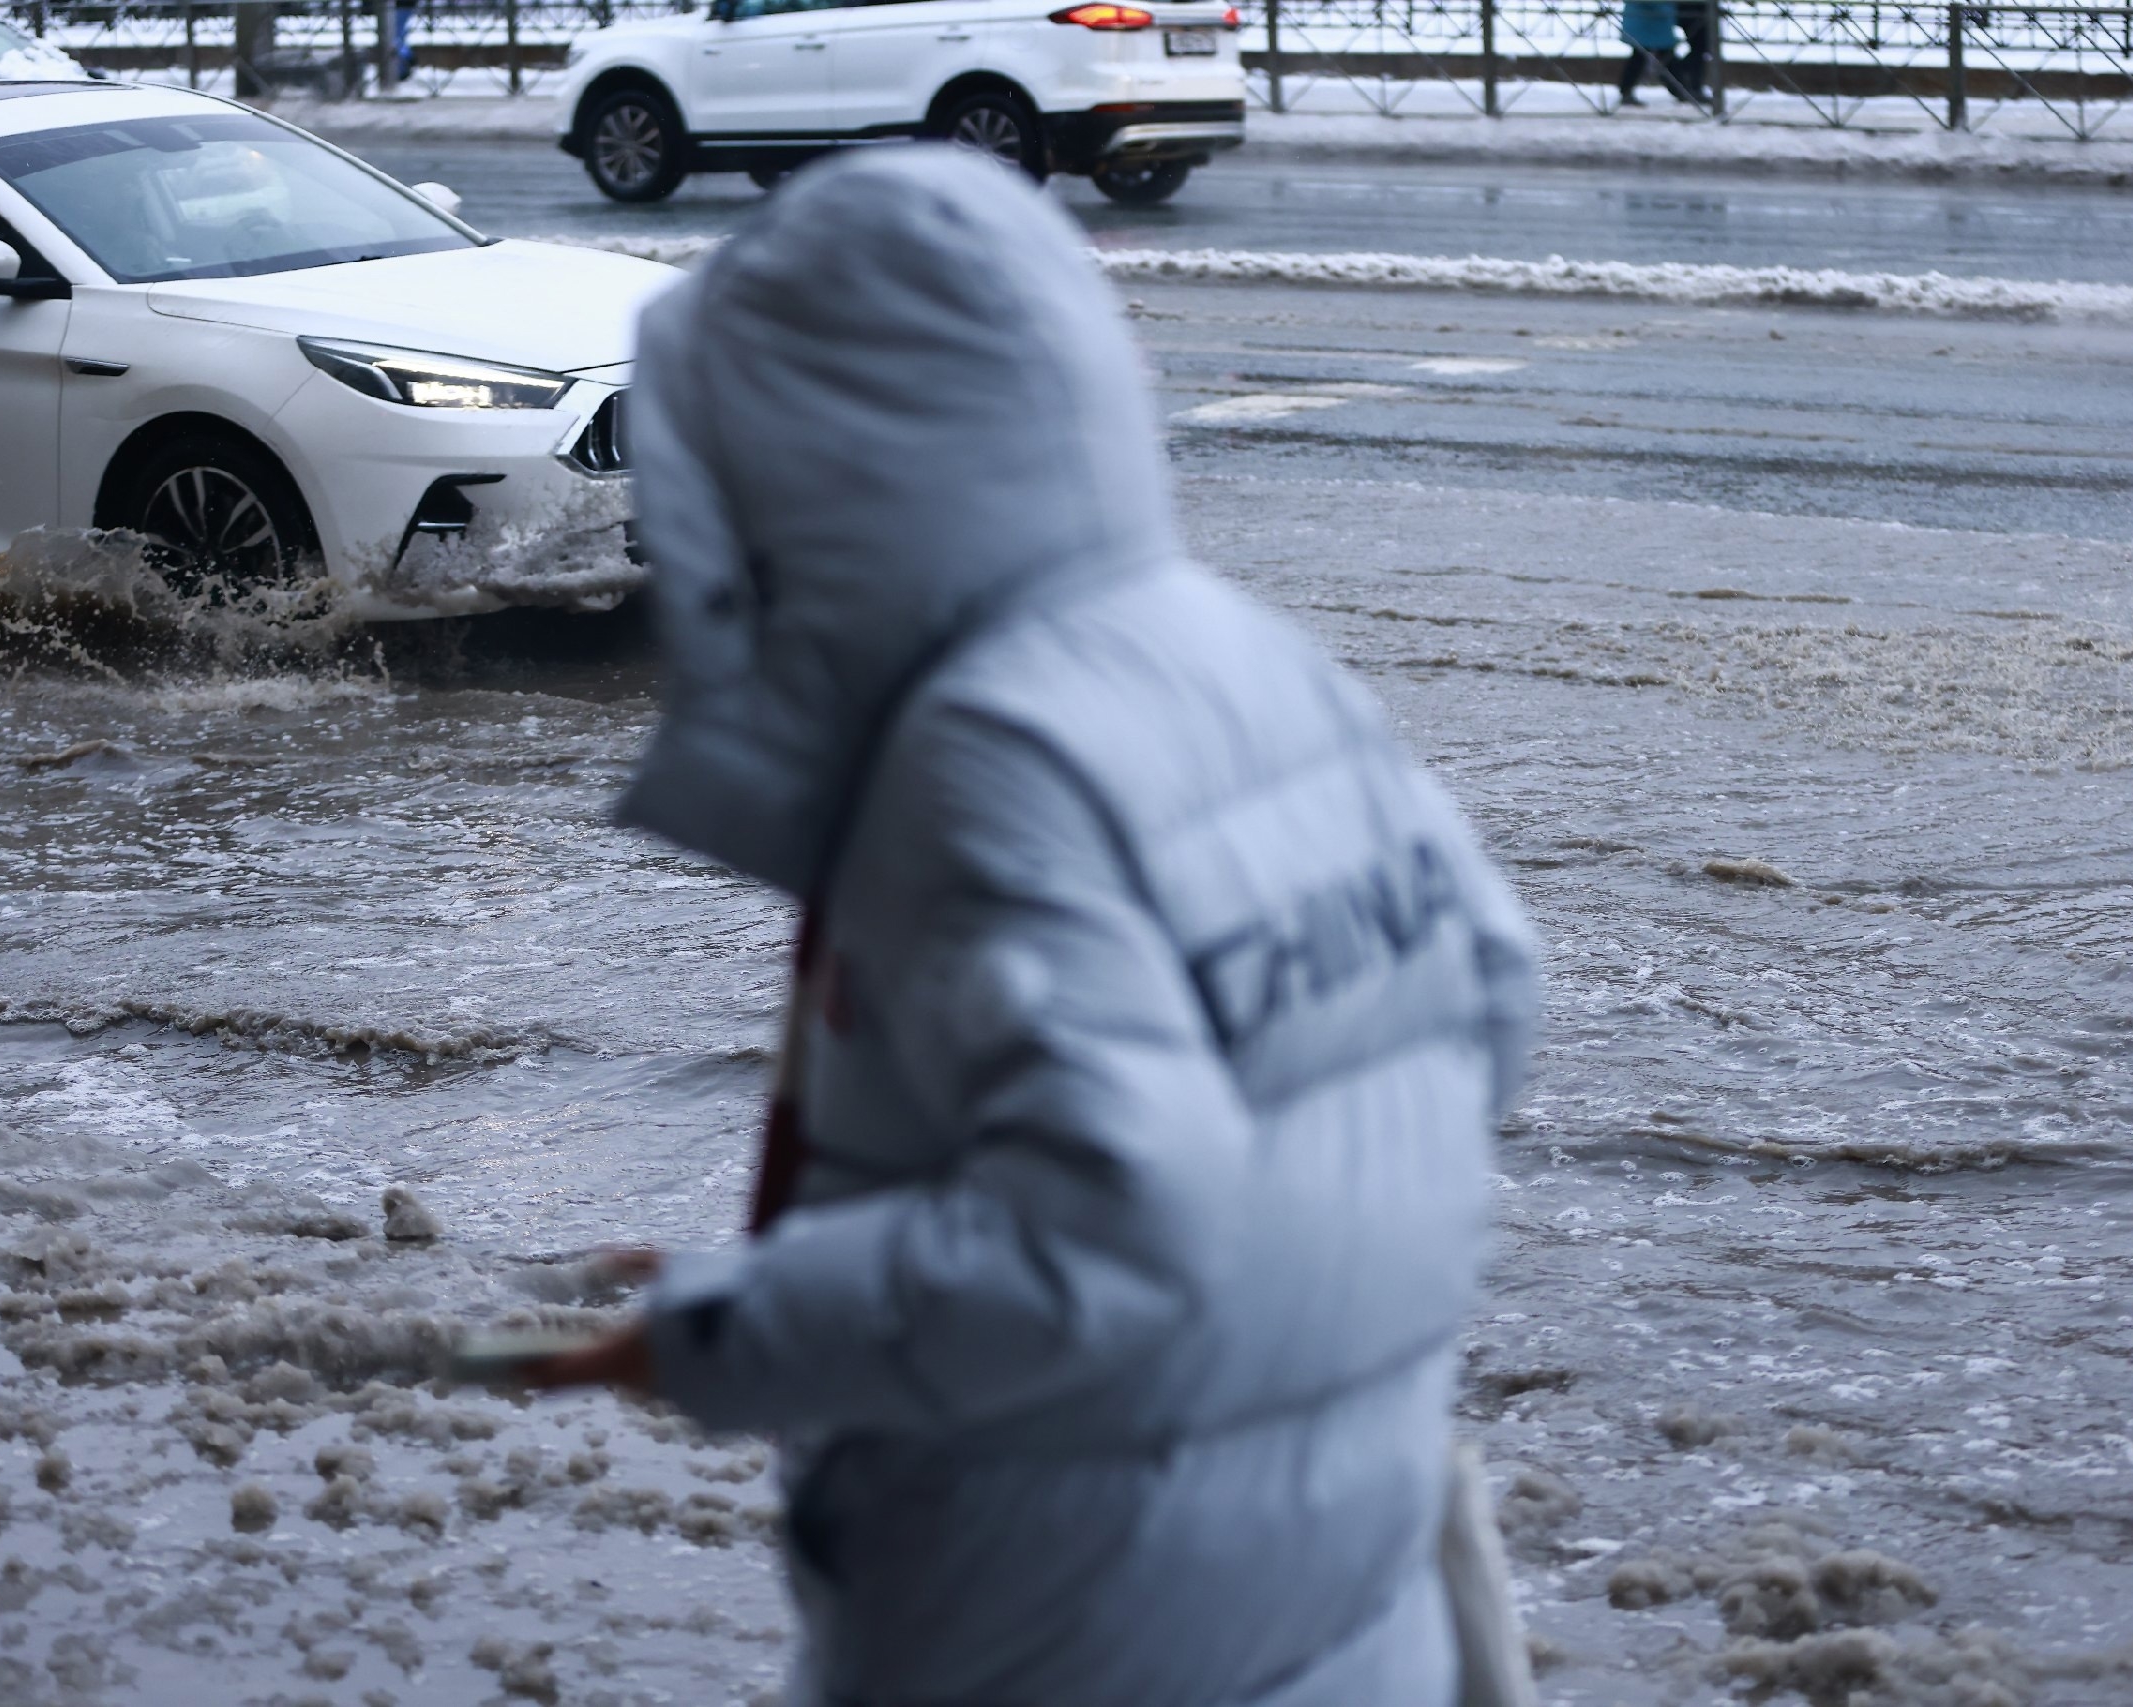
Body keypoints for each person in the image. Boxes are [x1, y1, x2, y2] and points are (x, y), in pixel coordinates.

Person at [531, 147, 1539, 1707]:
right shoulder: (1244, 651)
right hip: (1341, 1583)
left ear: (816, 467)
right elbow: (1487, 997)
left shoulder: (976, 751)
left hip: (1063, 1620)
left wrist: (738, 1325)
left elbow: (1106, 1226)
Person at [1618, 0, 1682, 106]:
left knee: (1646, 57)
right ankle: (1680, 90)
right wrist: (1667, 9)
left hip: (1649, 21)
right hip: (1646, 20)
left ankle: (1679, 90)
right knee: (1643, 57)